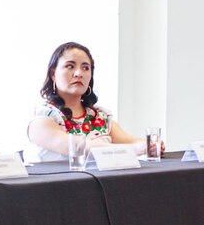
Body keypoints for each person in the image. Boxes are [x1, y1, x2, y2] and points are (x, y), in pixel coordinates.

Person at [25, 41, 162, 162]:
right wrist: (134, 149)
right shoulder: (42, 118)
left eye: (85, 68)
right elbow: (78, 146)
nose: (79, 73)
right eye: (70, 66)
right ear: (53, 74)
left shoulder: (100, 116)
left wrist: (151, 144)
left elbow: (133, 141)